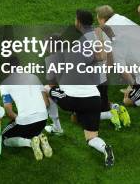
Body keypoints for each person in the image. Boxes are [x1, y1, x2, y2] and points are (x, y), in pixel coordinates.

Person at [44, 33, 115, 167]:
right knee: (91, 138)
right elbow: (100, 58)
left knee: (46, 88)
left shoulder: (51, 60)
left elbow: (52, 84)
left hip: (73, 101)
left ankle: (56, 127)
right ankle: (105, 147)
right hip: (94, 99)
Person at [0, 68, 53, 160]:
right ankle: (39, 136)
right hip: (43, 120)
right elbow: (47, 103)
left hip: (26, 123)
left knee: (3, 138)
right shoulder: (35, 77)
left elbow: (8, 110)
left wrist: (19, 119)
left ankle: (30, 142)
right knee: (32, 129)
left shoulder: (5, 83)